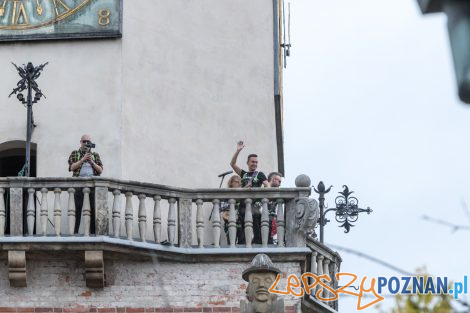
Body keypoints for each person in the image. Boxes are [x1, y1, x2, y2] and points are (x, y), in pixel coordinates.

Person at [68, 134, 103, 234]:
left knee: (93, 210)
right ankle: (74, 233)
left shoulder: (95, 155)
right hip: (78, 187)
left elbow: (100, 170)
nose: (86, 144)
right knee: (76, 210)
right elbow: (71, 167)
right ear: (80, 142)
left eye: (88, 142)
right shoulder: (75, 153)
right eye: (84, 141)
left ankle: (92, 233)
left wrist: (91, 161)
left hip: (92, 187)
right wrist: (82, 160)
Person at [220, 175, 244, 244]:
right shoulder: (226, 194)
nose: (238, 184)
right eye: (236, 182)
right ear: (231, 183)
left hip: (241, 222)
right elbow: (222, 207)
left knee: (243, 243)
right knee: (231, 243)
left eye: (240, 182)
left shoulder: (242, 195)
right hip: (230, 221)